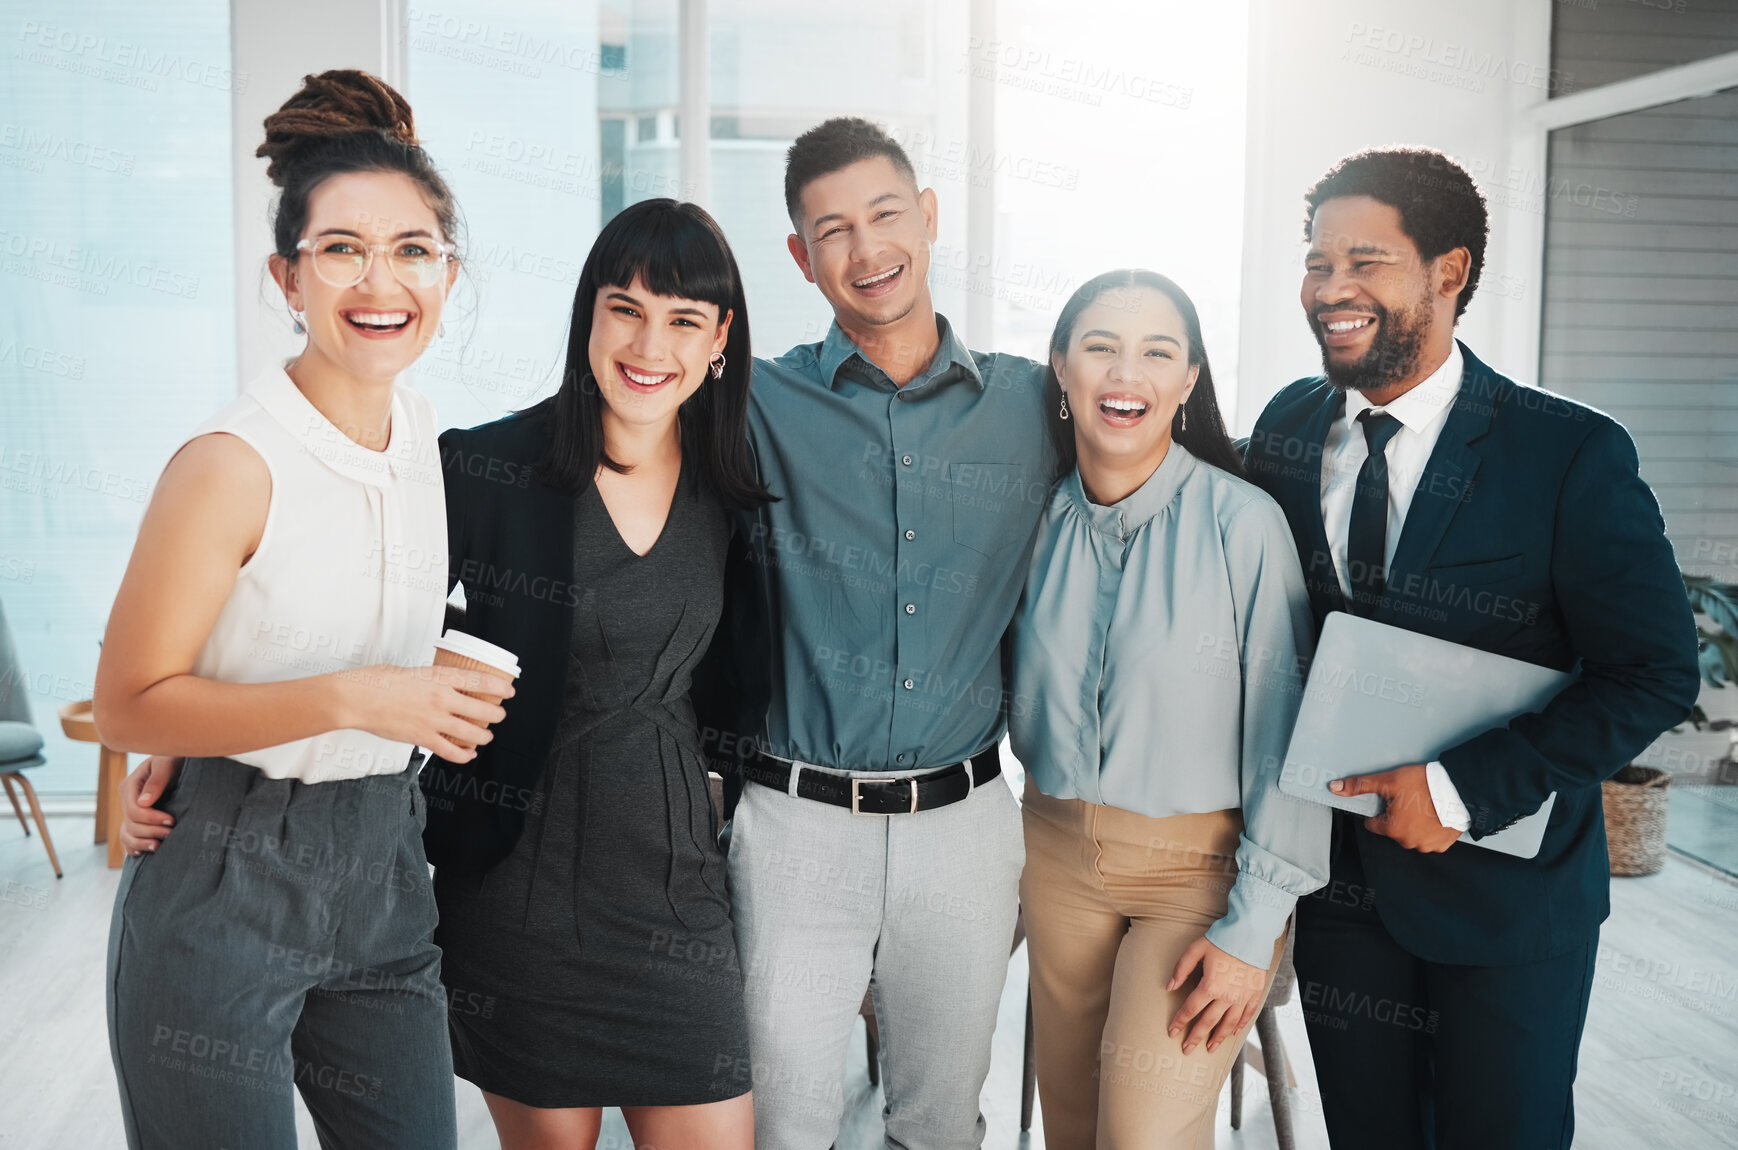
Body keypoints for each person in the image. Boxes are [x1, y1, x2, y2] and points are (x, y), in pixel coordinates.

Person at [1243, 146, 1702, 1150]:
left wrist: (1456, 789)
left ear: (1446, 272)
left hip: (1506, 904)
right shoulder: (1283, 426)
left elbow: (1655, 670)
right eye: (1317, 263)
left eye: (1364, 261)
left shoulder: (1565, 454)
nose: (1330, 290)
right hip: (1337, 892)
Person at [96, 70, 509, 1150]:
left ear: (448, 273)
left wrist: (414, 677)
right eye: (342, 249)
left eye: (414, 249)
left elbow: (317, 612)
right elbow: (130, 702)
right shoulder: (230, 462)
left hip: (381, 861)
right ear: (287, 275)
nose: (382, 280)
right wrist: (350, 698)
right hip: (226, 878)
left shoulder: (421, 435)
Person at [711, 117, 1054, 1149]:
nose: (866, 251)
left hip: (966, 821)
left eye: (885, 216)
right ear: (800, 258)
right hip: (793, 823)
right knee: (786, 1117)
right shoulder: (751, 400)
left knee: (940, 1119)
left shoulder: (1035, 404)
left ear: (929, 218)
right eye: (832, 230)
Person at [420, 198, 768, 1150]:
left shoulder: (734, 486)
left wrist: (713, 785)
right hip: (516, 897)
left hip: (677, 896)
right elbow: (360, 625)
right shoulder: (485, 467)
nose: (649, 342)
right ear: (588, 316)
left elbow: (741, 678)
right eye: (626, 308)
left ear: (719, 338)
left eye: (683, 319)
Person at [1009, 269, 1328, 1149]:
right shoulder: (1028, 519)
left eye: (1158, 353)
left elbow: (1285, 736)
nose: (1127, 375)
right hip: (1055, 857)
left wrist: (1255, 927)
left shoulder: (1244, 524)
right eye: (1102, 348)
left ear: (1189, 382)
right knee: (1071, 1129)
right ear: (1061, 369)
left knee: (1142, 1136)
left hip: (1202, 878)